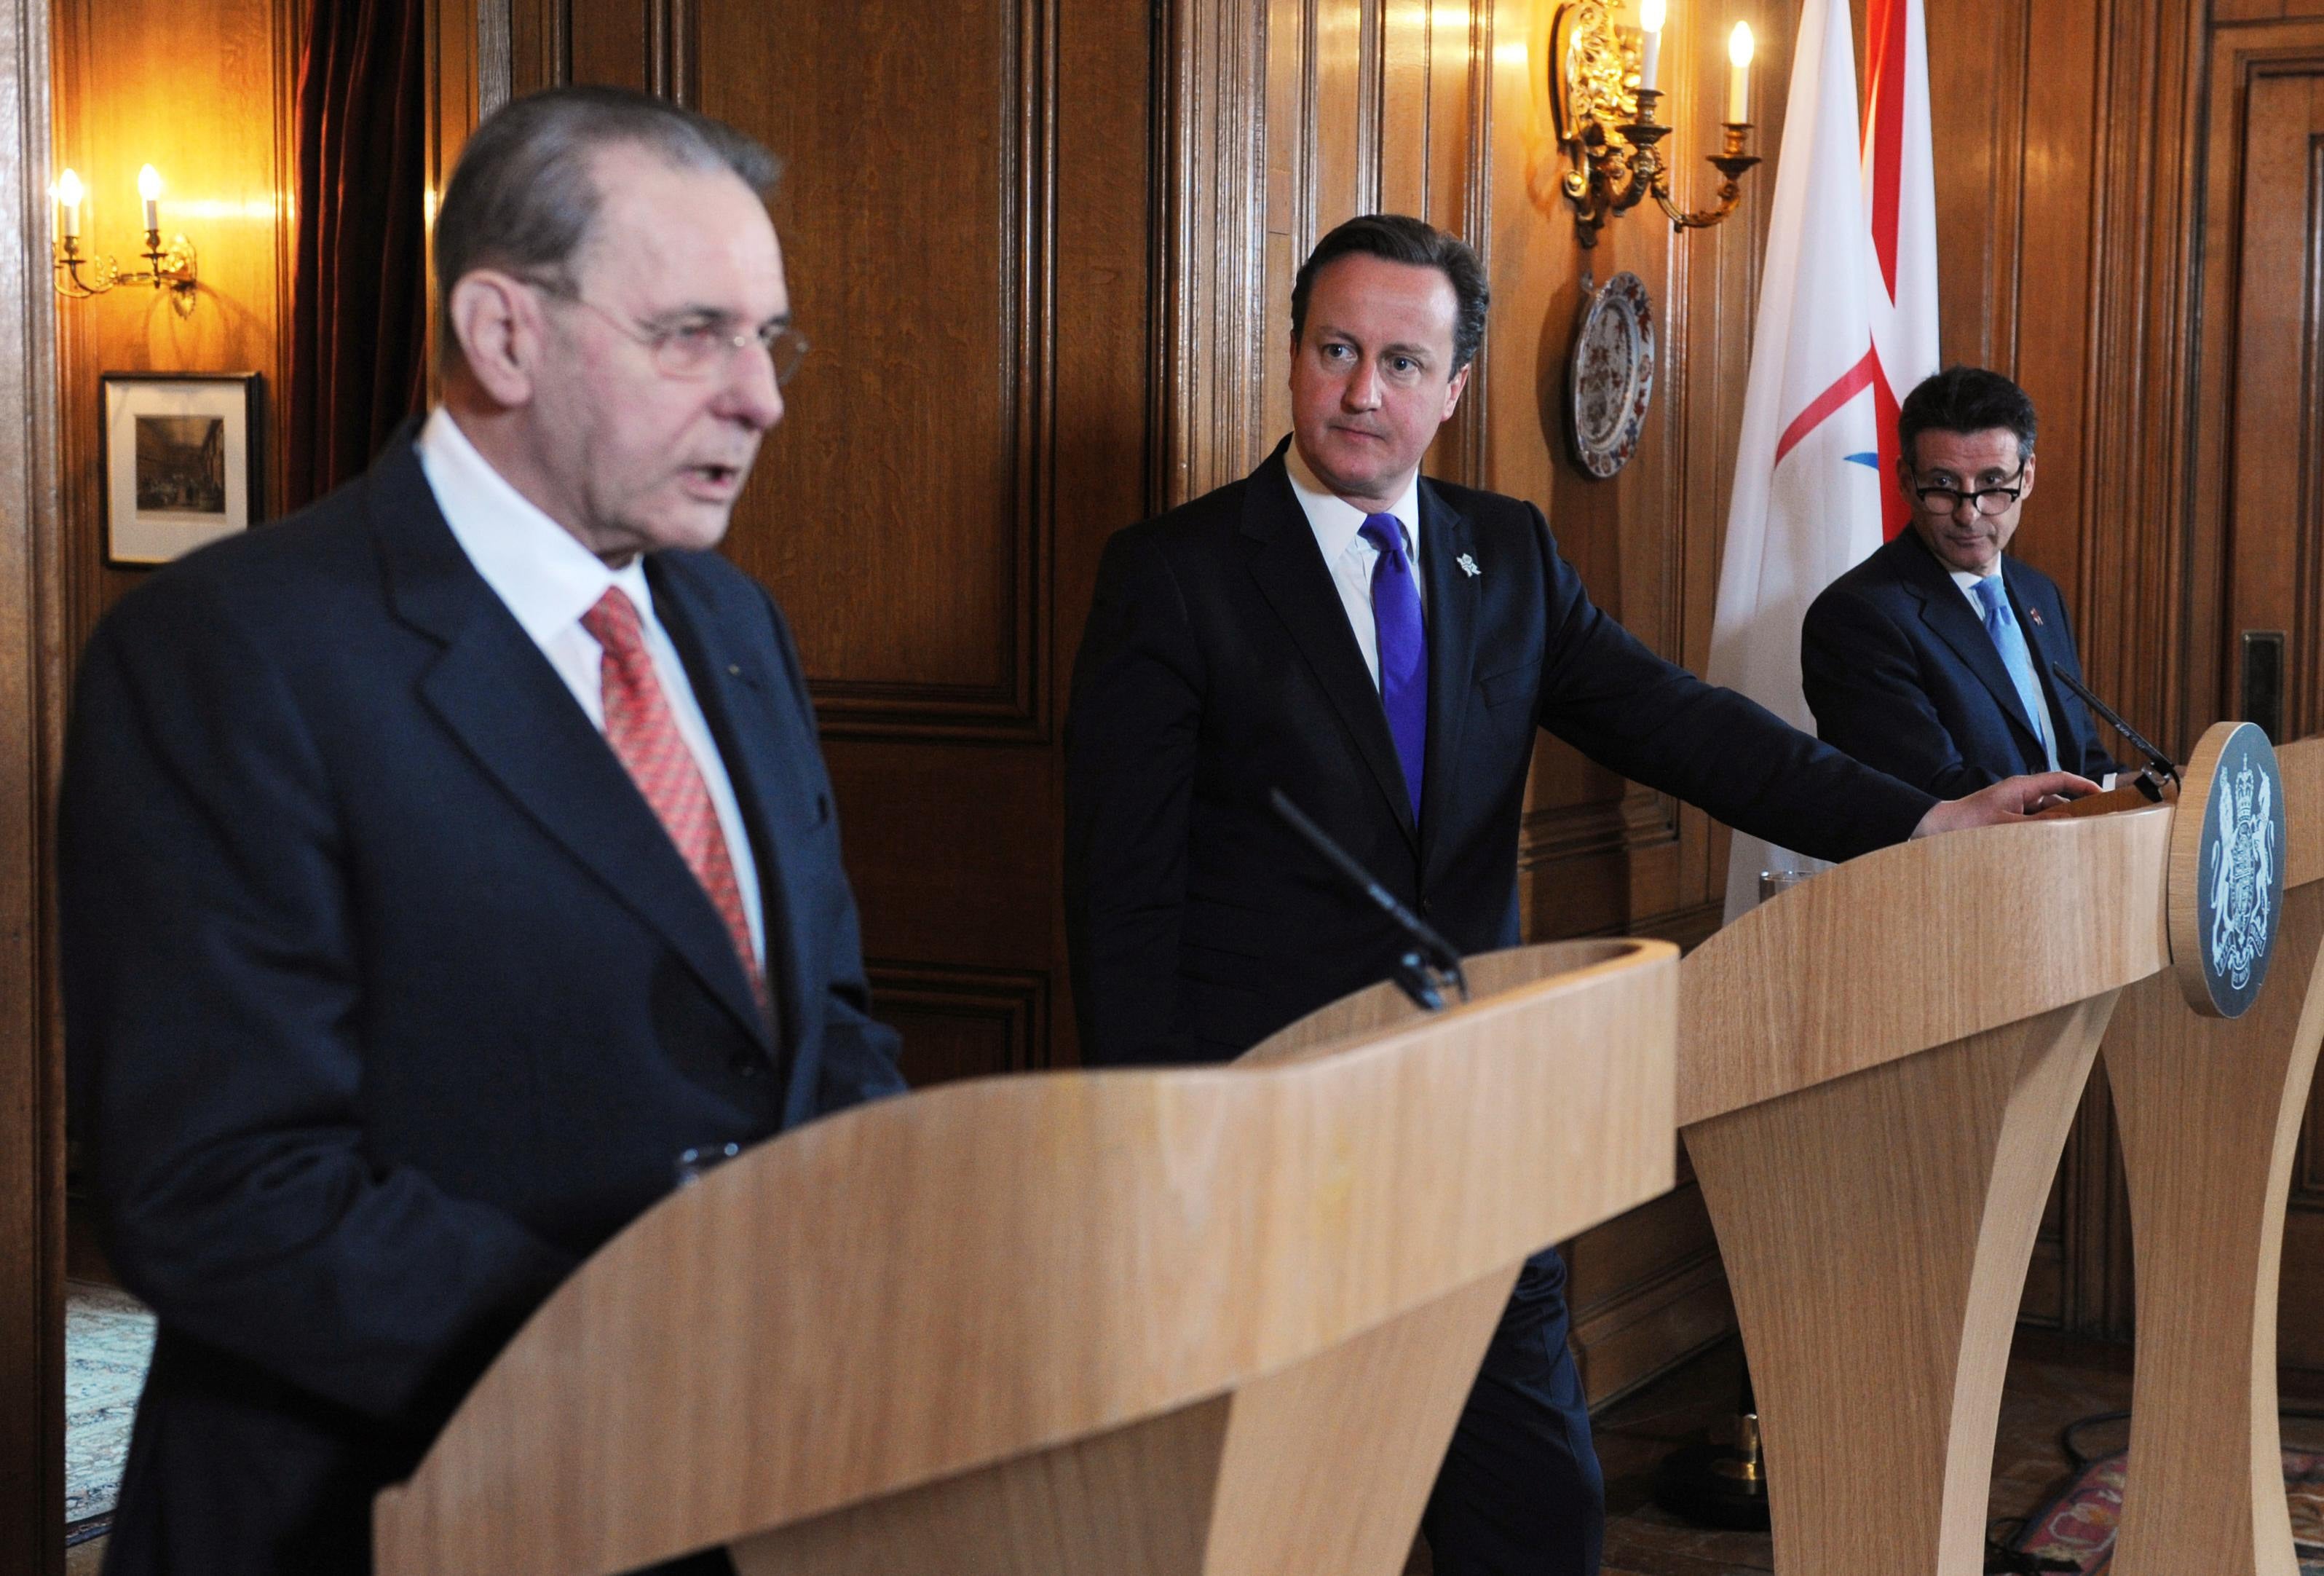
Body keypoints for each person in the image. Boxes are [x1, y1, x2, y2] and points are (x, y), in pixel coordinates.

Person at [1062, 214, 2090, 1576]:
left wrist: (1920, 812)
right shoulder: (1175, 572)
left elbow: (1687, 727)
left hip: (1479, 1108)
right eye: (1333, 349)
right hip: (1270, 1126)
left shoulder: (1508, 554)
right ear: (1296, 354)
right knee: (1284, 1518)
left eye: (1399, 359)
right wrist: (1154, 1149)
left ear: (1453, 385)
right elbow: (1118, 891)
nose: (1361, 389)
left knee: (1539, 1508)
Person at [60, 86, 904, 1576]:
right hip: (379, 1510)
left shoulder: (733, 621)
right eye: (693, 332)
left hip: (739, 1495)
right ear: (506, 332)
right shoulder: (234, 650)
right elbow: (221, 1187)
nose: (761, 395)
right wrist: (653, 1356)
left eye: (769, 338)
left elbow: (819, 1026)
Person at [1801, 366, 2118, 795]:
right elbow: (1928, 792)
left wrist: (2155, 788)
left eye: (1991, 483)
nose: (1968, 513)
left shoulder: (2038, 593)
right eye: (1944, 484)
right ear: (1906, 482)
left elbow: (2081, 763)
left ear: (2026, 478)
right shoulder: (1856, 616)